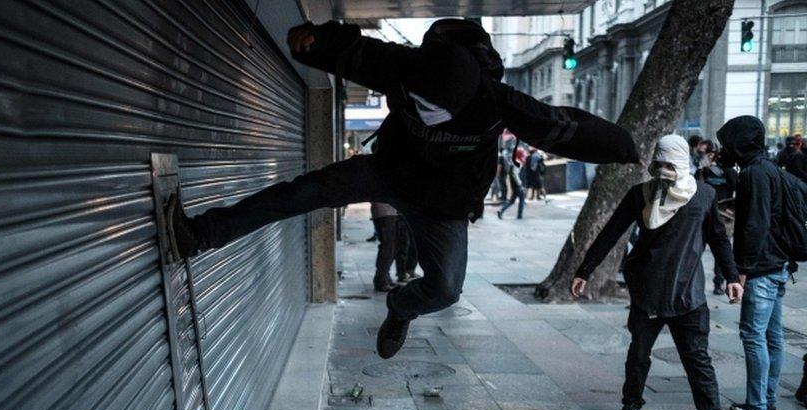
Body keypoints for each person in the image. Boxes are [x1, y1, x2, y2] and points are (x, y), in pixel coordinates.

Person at [166, 18, 639, 359]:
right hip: (389, 171)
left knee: (446, 289)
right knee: (300, 193)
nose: (425, 110)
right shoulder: (405, 66)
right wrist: (311, 42)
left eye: (438, 108)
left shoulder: (500, 101)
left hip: (444, 204)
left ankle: (399, 308)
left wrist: (623, 146)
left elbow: (567, 128)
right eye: (420, 102)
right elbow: (352, 51)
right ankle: (202, 234)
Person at [571, 135, 743, 410]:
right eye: (658, 163)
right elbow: (612, 232)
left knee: (698, 361)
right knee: (638, 354)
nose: (663, 170)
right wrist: (584, 270)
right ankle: (632, 404)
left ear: (681, 163)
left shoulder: (703, 195)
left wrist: (731, 276)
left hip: (688, 293)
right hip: (647, 289)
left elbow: (718, 238)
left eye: (669, 164)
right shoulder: (641, 194)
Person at [717, 116, 791, 410]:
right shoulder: (768, 169)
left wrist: (741, 274)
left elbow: (754, 226)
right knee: (772, 336)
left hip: (760, 268)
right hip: (778, 264)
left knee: (753, 335)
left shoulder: (754, 173)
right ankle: (767, 401)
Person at [696, 143, 738, 295]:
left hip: (722, 216)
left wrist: (731, 207)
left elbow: (739, 191)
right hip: (702, 215)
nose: (705, 156)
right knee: (695, 248)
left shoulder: (728, 171)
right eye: (703, 153)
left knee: (720, 248)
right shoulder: (702, 172)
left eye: (707, 153)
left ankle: (718, 283)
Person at [371, 202, 401, 291]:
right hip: (384, 212)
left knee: (391, 246)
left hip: (388, 211)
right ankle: (381, 279)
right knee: (388, 246)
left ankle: (385, 277)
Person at [498, 144, 528, 219]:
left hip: (515, 186)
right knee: (521, 200)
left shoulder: (513, 161)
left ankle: (501, 210)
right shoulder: (518, 162)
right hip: (518, 186)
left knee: (512, 201)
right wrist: (520, 185)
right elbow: (515, 174)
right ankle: (519, 215)